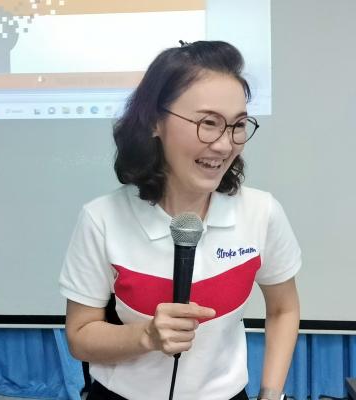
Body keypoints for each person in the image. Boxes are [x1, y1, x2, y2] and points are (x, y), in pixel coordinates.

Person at [59, 40, 301, 400]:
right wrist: (146, 336)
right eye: (208, 123)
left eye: (237, 125)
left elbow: (283, 309)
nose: (225, 145)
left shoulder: (261, 213)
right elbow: (80, 336)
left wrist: (271, 394)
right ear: (155, 122)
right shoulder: (102, 219)